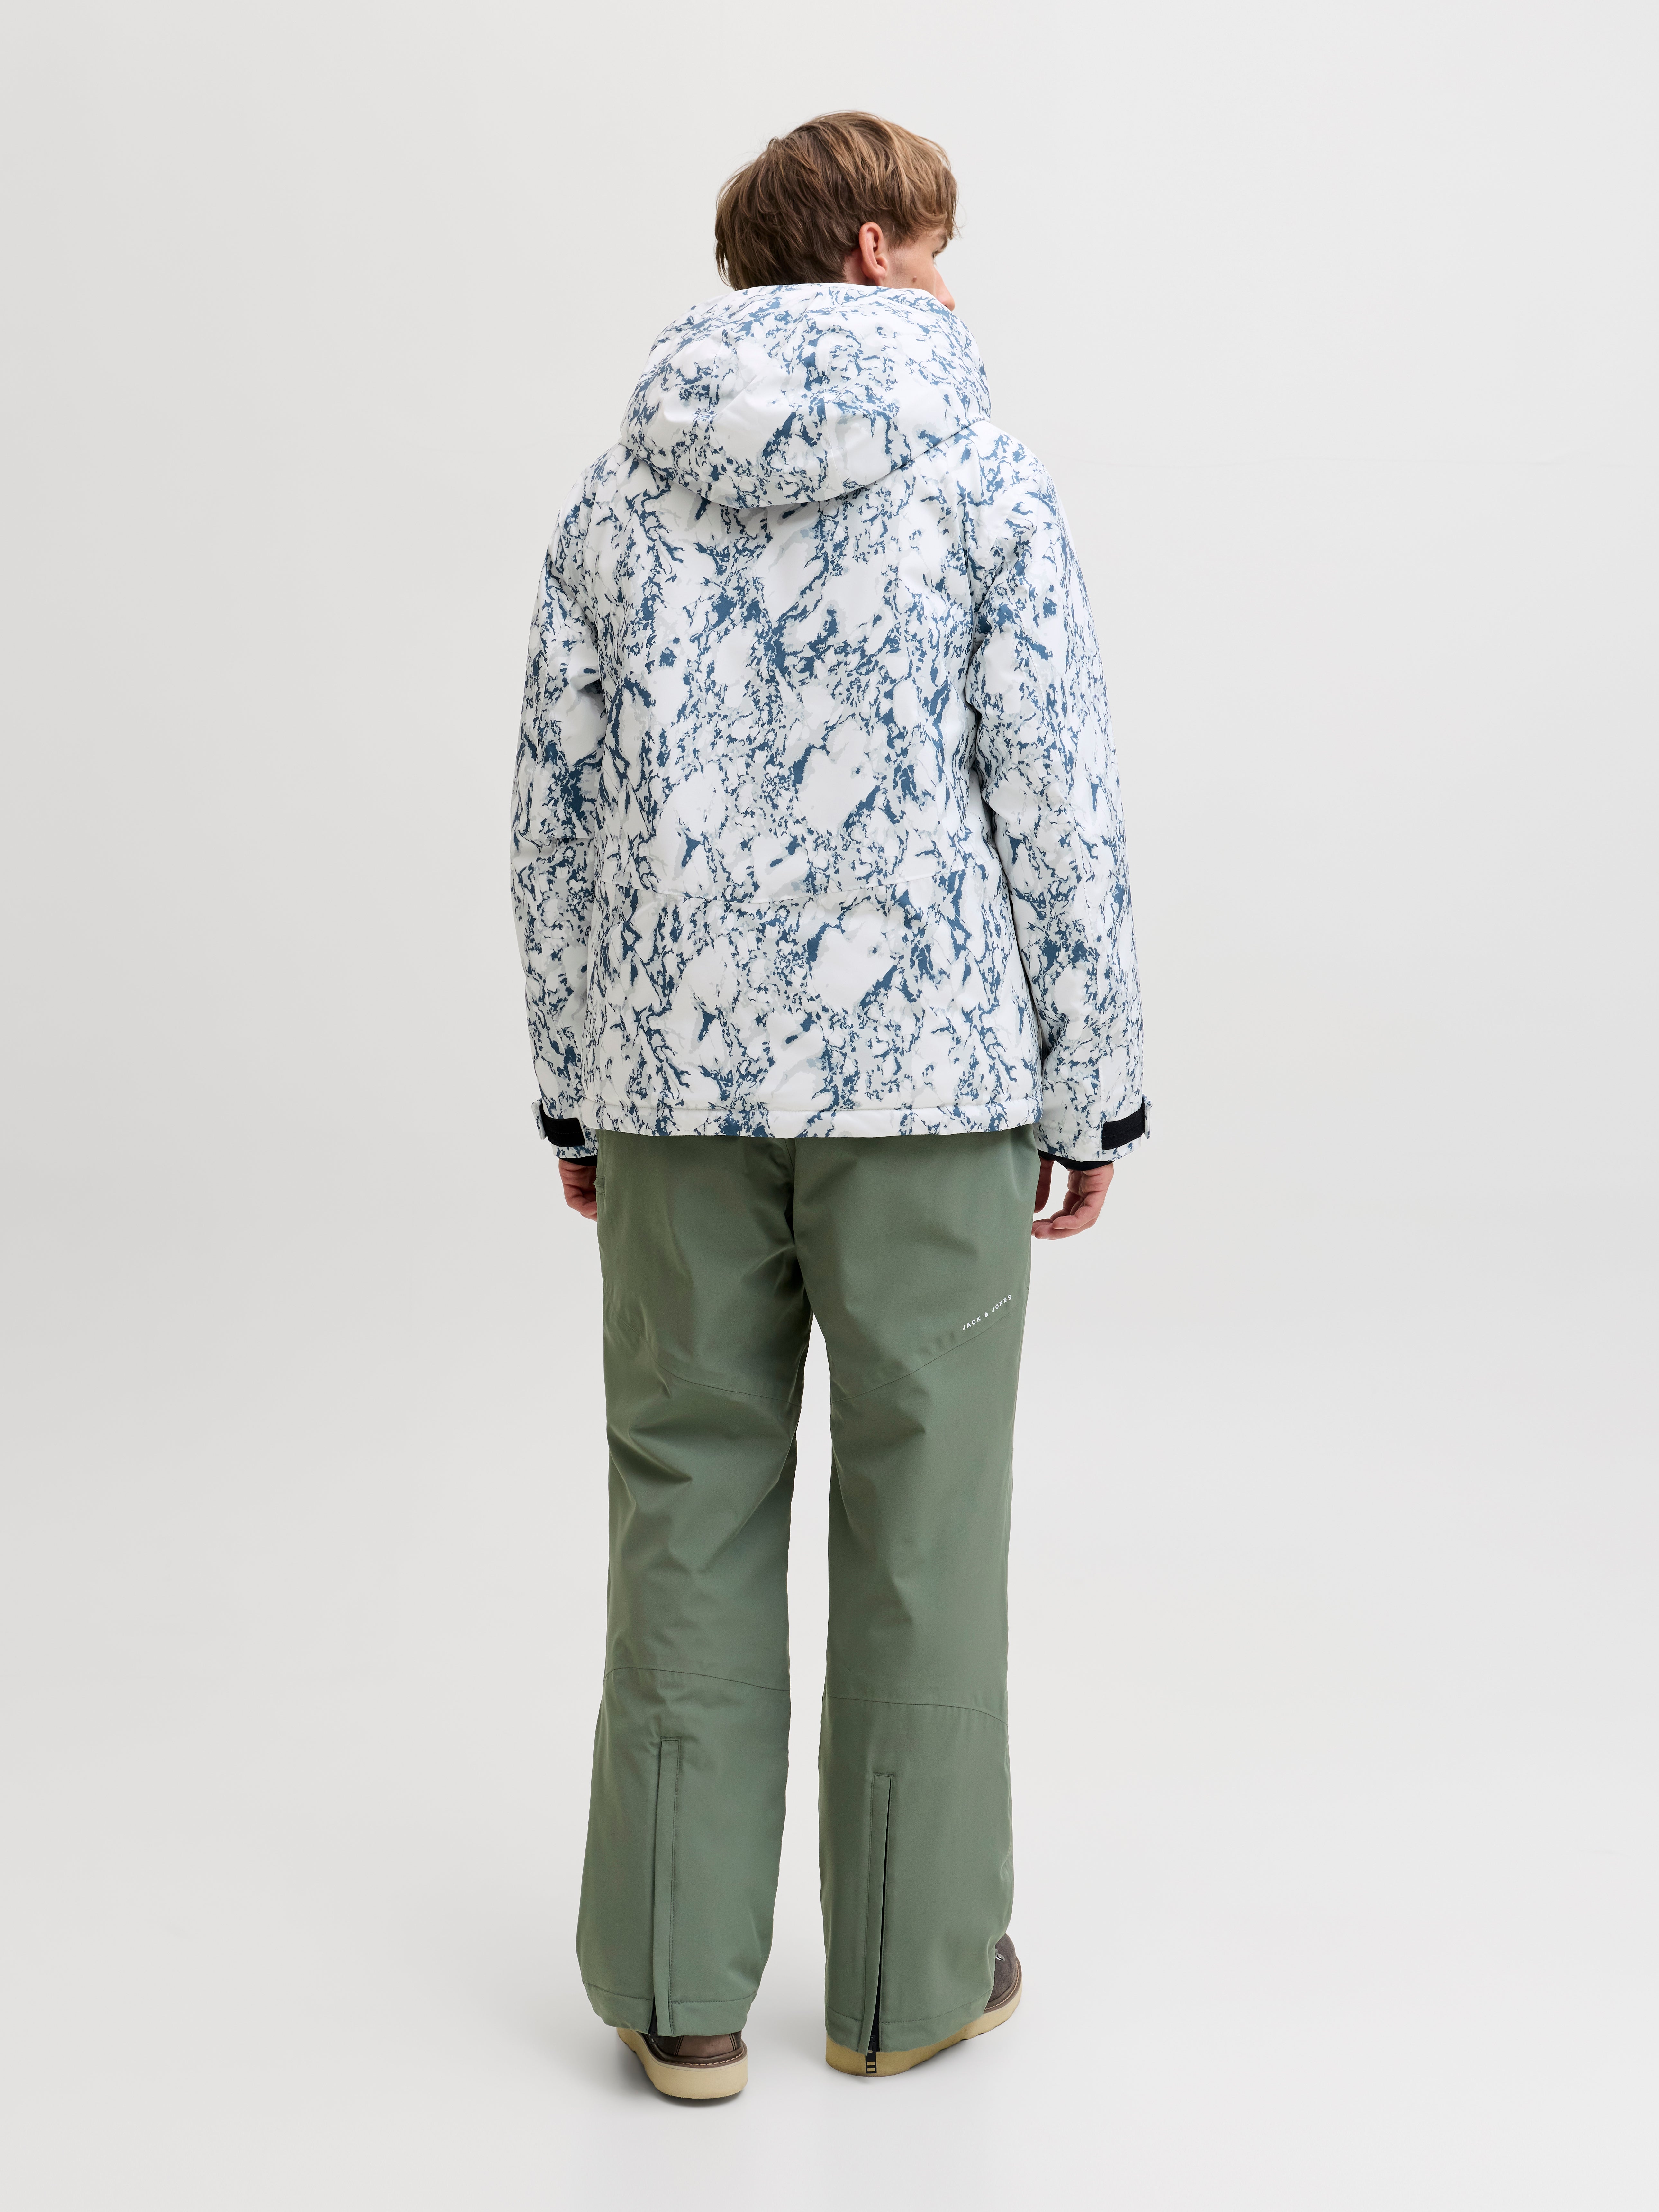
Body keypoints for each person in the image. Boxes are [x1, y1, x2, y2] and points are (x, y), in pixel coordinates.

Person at [511, 111, 1146, 2101]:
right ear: (873, 248)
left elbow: (556, 813)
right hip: (931, 1085)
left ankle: (679, 1991)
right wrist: (1091, 1090)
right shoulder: (982, 477)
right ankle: (905, 1985)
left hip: (675, 1090)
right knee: (924, 1515)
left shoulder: (616, 497)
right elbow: (1055, 796)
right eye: (937, 246)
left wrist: (576, 1089)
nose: (951, 283)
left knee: (682, 1499)